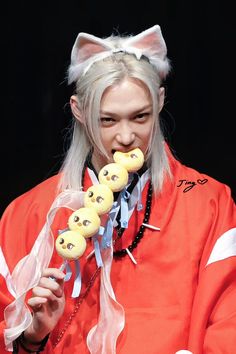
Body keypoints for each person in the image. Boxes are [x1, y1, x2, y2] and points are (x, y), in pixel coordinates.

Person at [0, 24, 236, 354]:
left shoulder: (209, 202)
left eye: (140, 117)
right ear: (78, 110)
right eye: (107, 120)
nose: (126, 137)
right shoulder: (27, 213)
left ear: (161, 101)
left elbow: (230, 326)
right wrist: (32, 336)